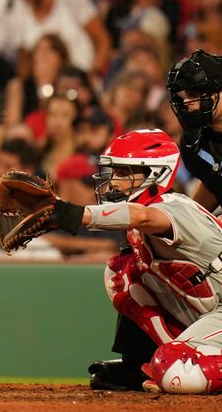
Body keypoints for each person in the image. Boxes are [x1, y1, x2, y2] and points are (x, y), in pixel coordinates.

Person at [22, 129, 222, 394]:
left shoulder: (174, 206)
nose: (114, 182)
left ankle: (177, 361)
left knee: (179, 374)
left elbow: (145, 217)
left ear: (156, 174)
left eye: (125, 173)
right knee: (122, 275)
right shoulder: (144, 217)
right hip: (211, 309)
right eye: (114, 172)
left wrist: (70, 214)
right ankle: (139, 363)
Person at [166, 50, 222, 211]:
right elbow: (214, 183)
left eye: (195, 93)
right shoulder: (193, 142)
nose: (187, 102)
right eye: (186, 95)